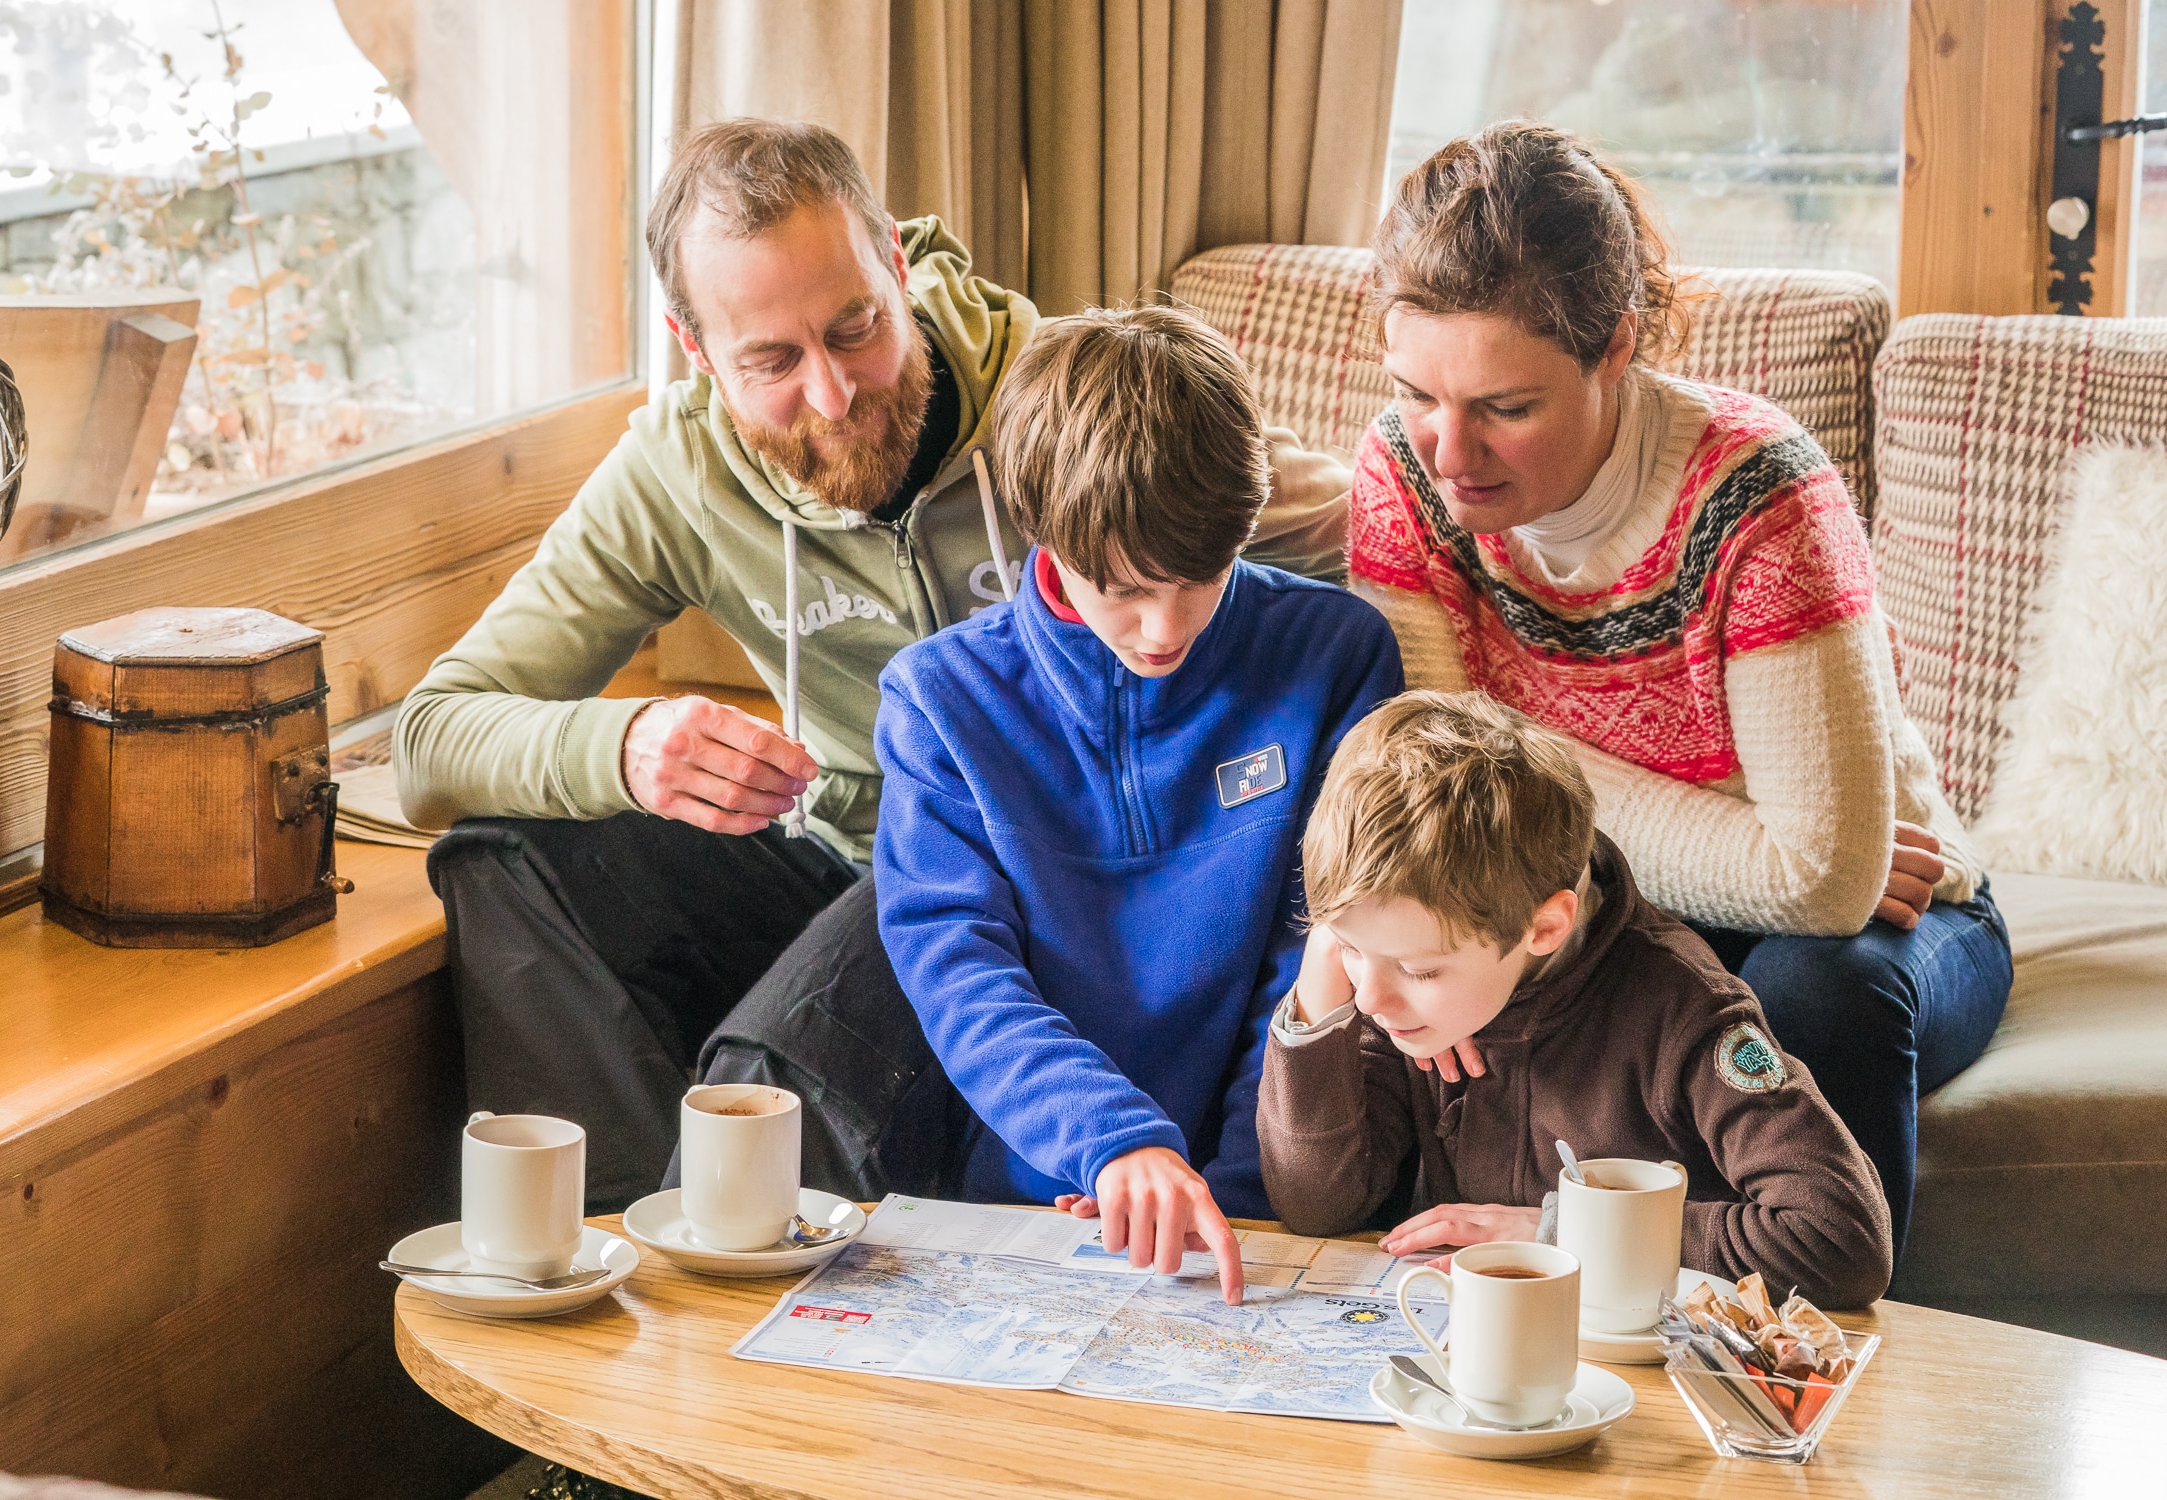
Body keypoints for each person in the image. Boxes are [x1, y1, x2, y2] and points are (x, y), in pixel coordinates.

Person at [396, 118, 1352, 1211]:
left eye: (856, 328)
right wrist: (627, 745)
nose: (835, 395)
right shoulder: (673, 473)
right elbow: (430, 740)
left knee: (789, 1047)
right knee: (503, 856)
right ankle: (604, 1242)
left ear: (895, 263)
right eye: (772, 362)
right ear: (695, 350)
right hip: (818, 857)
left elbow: (1327, 514)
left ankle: (728, 1242)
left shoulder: (1055, 402)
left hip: (1006, 883)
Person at [1343, 120, 2011, 1264]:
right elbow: (1443, 796)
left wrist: (1513, 748)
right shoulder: (1399, 473)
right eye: (1417, 394)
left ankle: (1826, 1336)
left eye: (1506, 406)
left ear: (1616, 347)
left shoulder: (1755, 493)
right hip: (1622, 905)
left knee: (1816, 988)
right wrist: (1728, 838)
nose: (1450, 452)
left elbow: (1819, 879)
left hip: (1896, 919)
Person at [866, 306, 1403, 1301]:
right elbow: (960, 973)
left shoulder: (1337, 654)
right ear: (1039, 528)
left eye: (1200, 578)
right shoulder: (939, 701)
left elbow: (1320, 952)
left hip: (1276, 1195)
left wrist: (1236, 1190)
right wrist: (1111, 1143)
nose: (1162, 629)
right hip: (1048, 1194)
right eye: (1121, 589)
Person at [1259, 691, 1894, 1309]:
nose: (1370, 999)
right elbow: (1319, 1207)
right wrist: (1320, 993)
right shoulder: (1403, 981)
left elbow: (1842, 1237)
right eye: (1347, 945)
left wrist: (1570, 1231)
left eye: (1420, 970)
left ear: (1544, 929)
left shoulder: (1685, 1011)